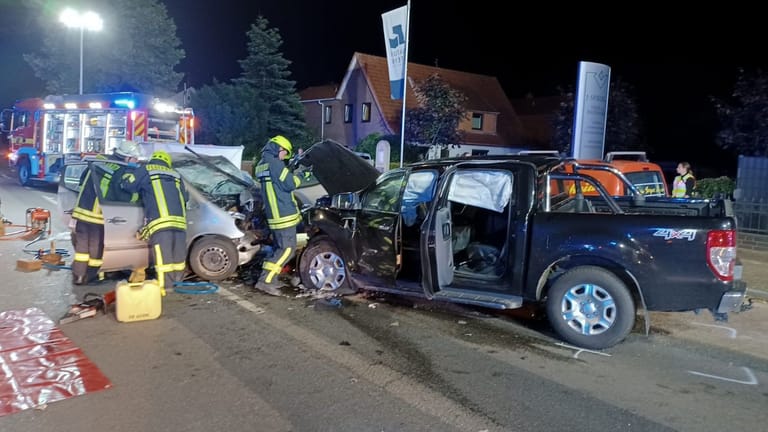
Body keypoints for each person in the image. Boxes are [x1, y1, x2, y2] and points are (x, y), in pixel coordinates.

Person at [71, 140, 142, 285]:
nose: (136, 161)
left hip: (81, 211)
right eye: (135, 159)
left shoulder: (99, 161)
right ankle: (92, 276)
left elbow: (82, 180)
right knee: (96, 248)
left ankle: (78, 276)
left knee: (82, 247)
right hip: (98, 216)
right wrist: (138, 197)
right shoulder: (121, 170)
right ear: (127, 157)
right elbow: (121, 196)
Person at [121, 150, 189, 292]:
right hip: (180, 223)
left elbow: (127, 185)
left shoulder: (145, 169)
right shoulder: (176, 174)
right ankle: (178, 283)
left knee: (164, 259)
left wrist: (128, 170)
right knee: (178, 257)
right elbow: (185, 197)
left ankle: (166, 288)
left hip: (160, 222)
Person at [252, 135, 303, 296]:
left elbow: (278, 182)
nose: (284, 156)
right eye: (284, 153)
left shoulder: (262, 164)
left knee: (279, 248)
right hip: (282, 214)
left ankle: (269, 278)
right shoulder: (275, 164)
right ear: (277, 148)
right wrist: (302, 175)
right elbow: (289, 184)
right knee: (288, 249)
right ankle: (265, 281)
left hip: (274, 214)